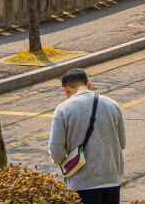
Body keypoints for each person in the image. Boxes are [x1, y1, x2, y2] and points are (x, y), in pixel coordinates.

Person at [48, 68, 126, 204]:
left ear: (66, 89)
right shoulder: (112, 104)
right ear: (89, 84)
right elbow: (122, 143)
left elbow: (56, 153)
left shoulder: (63, 110)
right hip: (112, 179)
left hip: (82, 182)